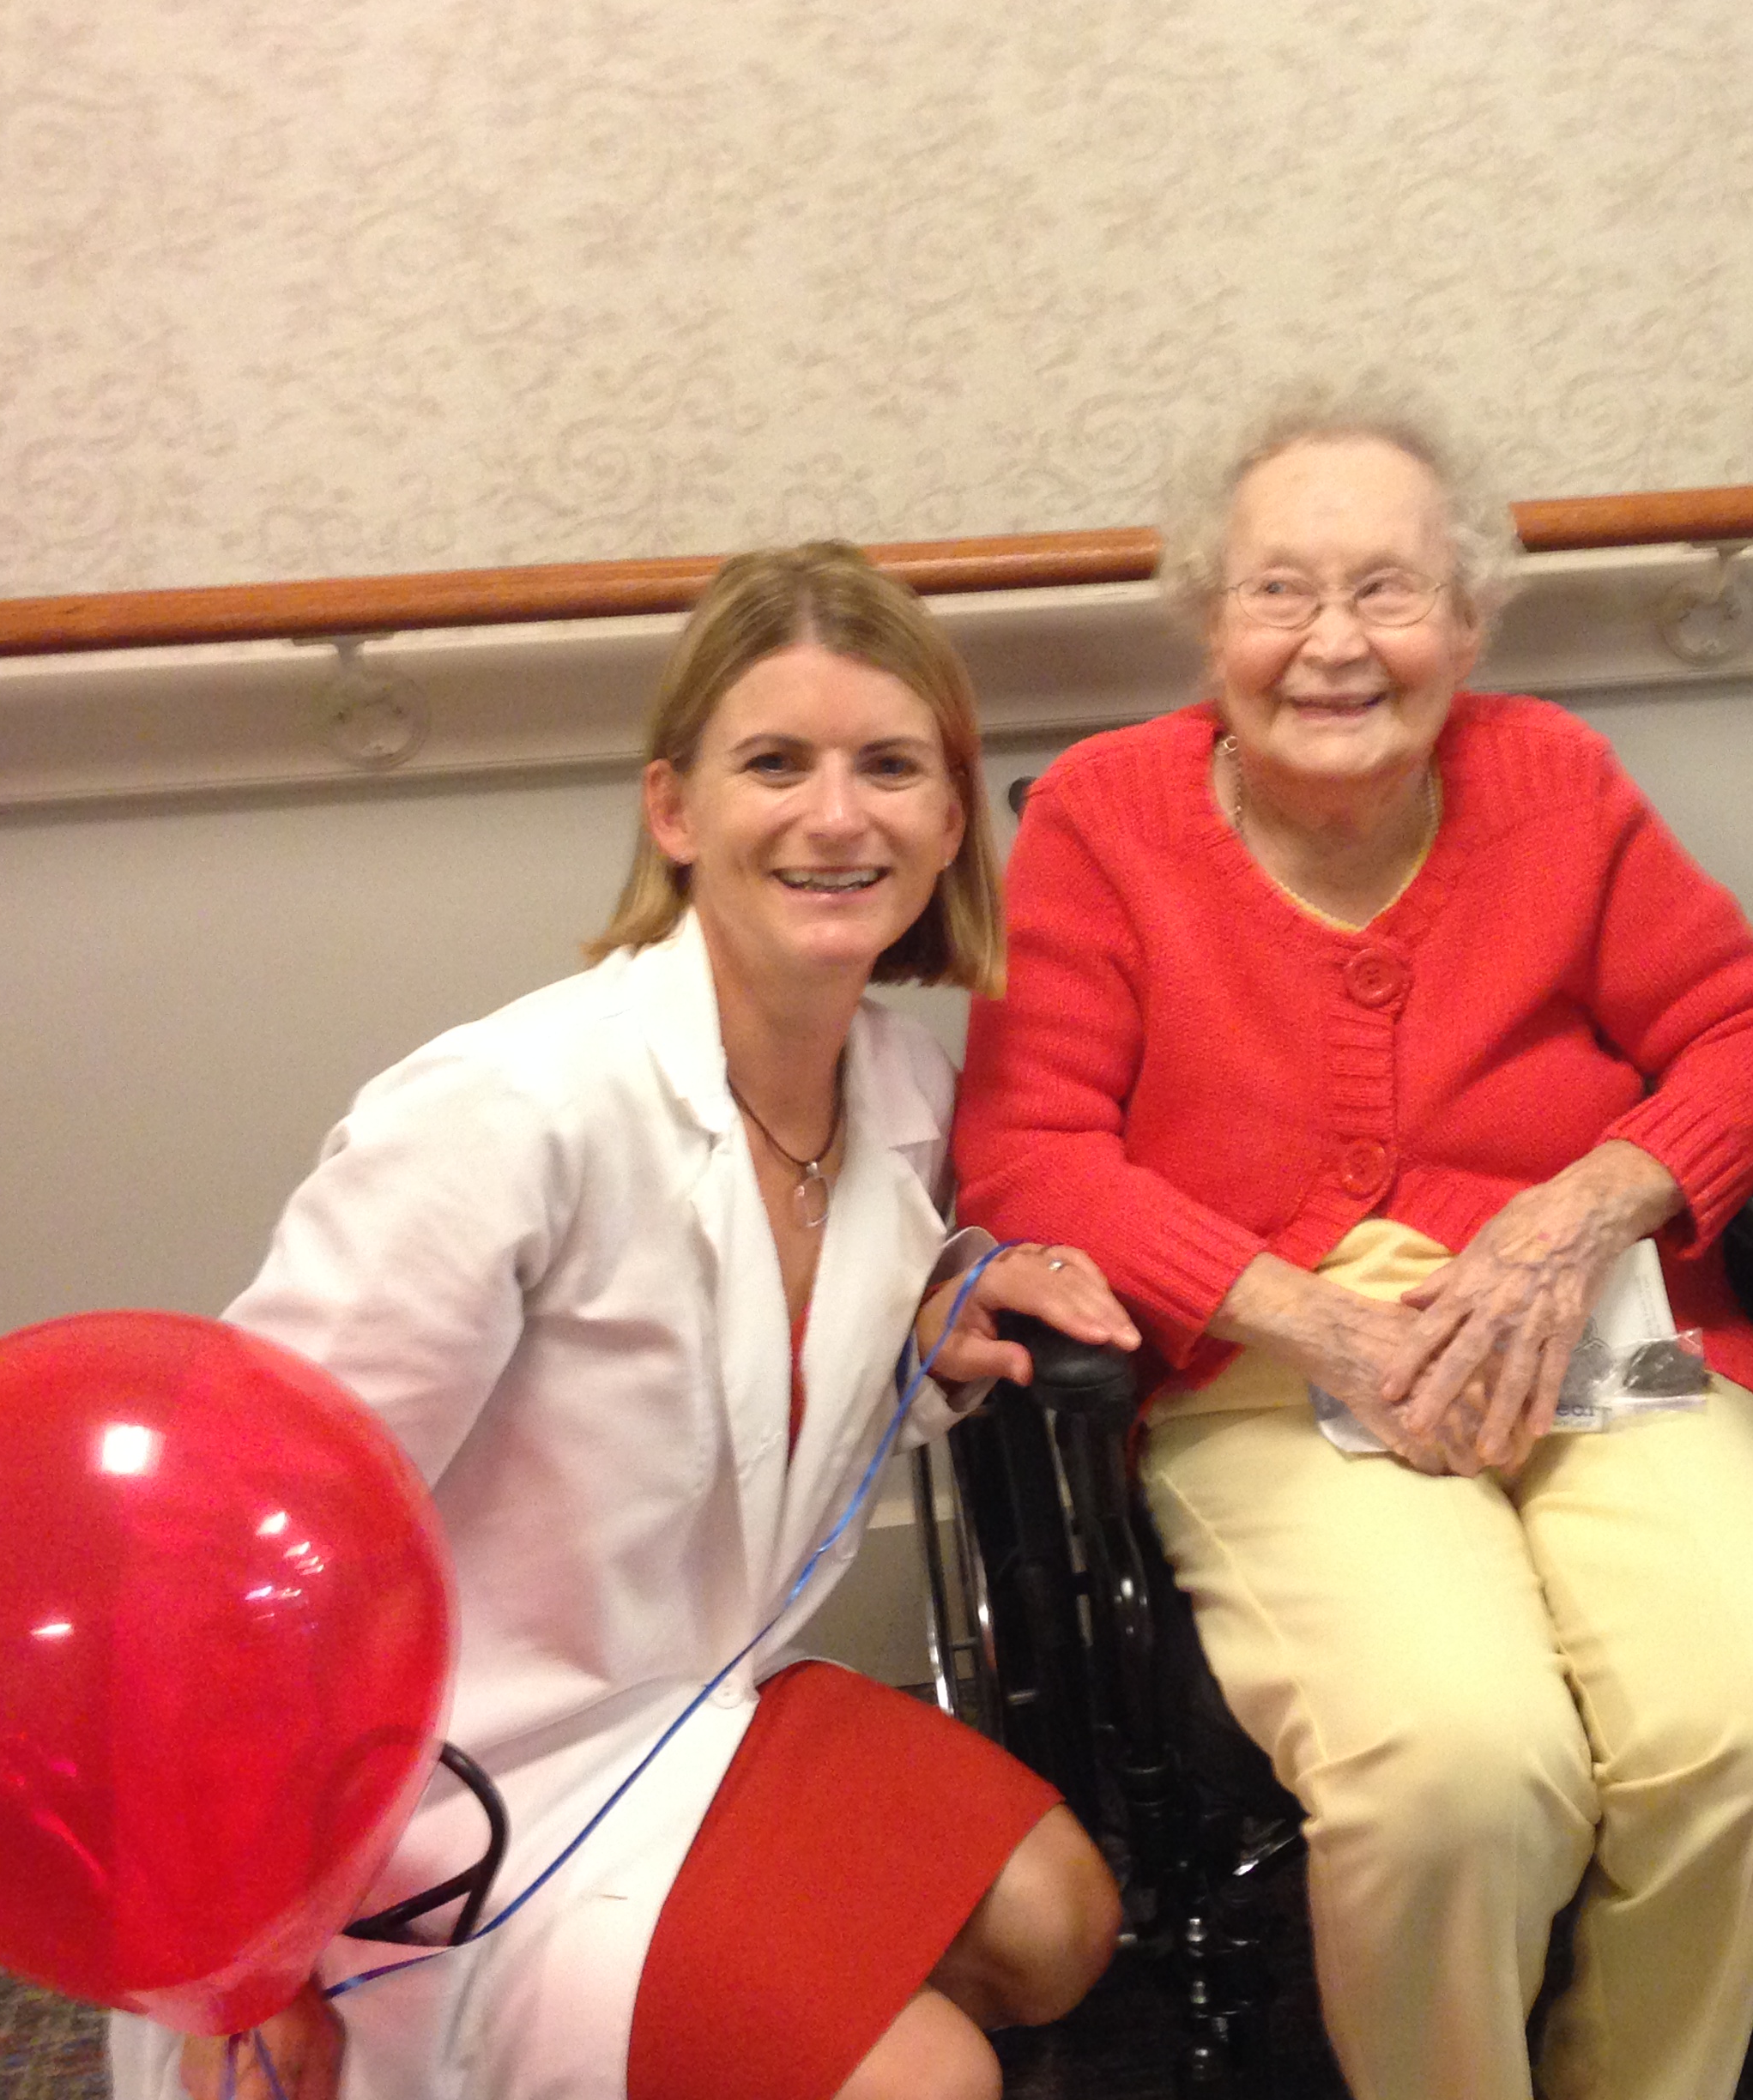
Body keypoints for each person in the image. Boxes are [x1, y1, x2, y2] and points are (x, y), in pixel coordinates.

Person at [949, 385, 1753, 2100]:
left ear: (1469, 618)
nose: (1332, 643)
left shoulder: (1551, 780)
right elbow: (1025, 1152)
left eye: (1386, 590)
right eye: (1278, 591)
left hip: (1604, 1335)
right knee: (1460, 1764)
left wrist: (1580, 1206)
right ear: (1205, 618)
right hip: (1270, 1372)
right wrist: (1316, 1320)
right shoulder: (1102, 817)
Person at [110, 544, 1133, 2100]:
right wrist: (243, 1963)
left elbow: (766, 1401)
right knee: (932, 2083)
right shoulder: (509, 1114)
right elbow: (227, 1546)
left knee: (1063, 1926)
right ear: (676, 811)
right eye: (775, 763)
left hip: (688, 1720)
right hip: (433, 1809)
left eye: (890, 767)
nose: (837, 814)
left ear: (946, 817)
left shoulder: (908, 1094)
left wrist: (938, 1319)